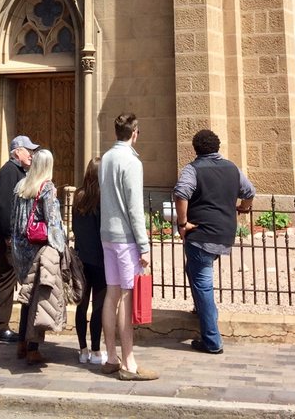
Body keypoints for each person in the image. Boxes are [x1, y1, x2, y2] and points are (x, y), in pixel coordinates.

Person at [174, 128, 255, 354]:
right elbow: (249, 192)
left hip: (201, 233)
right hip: (225, 233)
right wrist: (243, 209)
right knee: (194, 269)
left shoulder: (193, 169)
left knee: (203, 283)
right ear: (217, 147)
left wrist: (182, 224)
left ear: (196, 149)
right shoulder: (232, 168)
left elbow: (181, 193)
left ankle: (212, 340)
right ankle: (202, 310)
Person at [99, 113, 157, 381]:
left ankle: (111, 356)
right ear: (134, 132)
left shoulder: (107, 157)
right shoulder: (131, 161)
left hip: (107, 234)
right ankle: (129, 362)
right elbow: (134, 208)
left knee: (112, 294)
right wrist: (143, 245)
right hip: (124, 238)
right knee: (125, 296)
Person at [11, 147, 67, 364]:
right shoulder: (47, 188)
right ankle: (33, 348)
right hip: (39, 250)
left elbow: (14, 220)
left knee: (26, 297)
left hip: (21, 249)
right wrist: (60, 248)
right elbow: (53, 223)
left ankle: (21, 344)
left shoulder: (20, 185)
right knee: (39, 299)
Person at [0, 135, 39, 341]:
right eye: (29, 151)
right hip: (7, 238)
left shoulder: (16, 171)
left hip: (11, 237)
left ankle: (1, 325)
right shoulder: (10, 172)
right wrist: (9, 234)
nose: (32, 155)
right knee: (6, 278)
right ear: (17, 151)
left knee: (8, 278)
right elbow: (4, 207)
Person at [72, 157, 107, 365]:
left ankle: (82, 349)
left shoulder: (78, 196)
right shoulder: (103, 198)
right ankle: (96, 350)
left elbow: (76, 227)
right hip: (100, 260)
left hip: (81, 258)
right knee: (99, 306)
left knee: (81, 305)